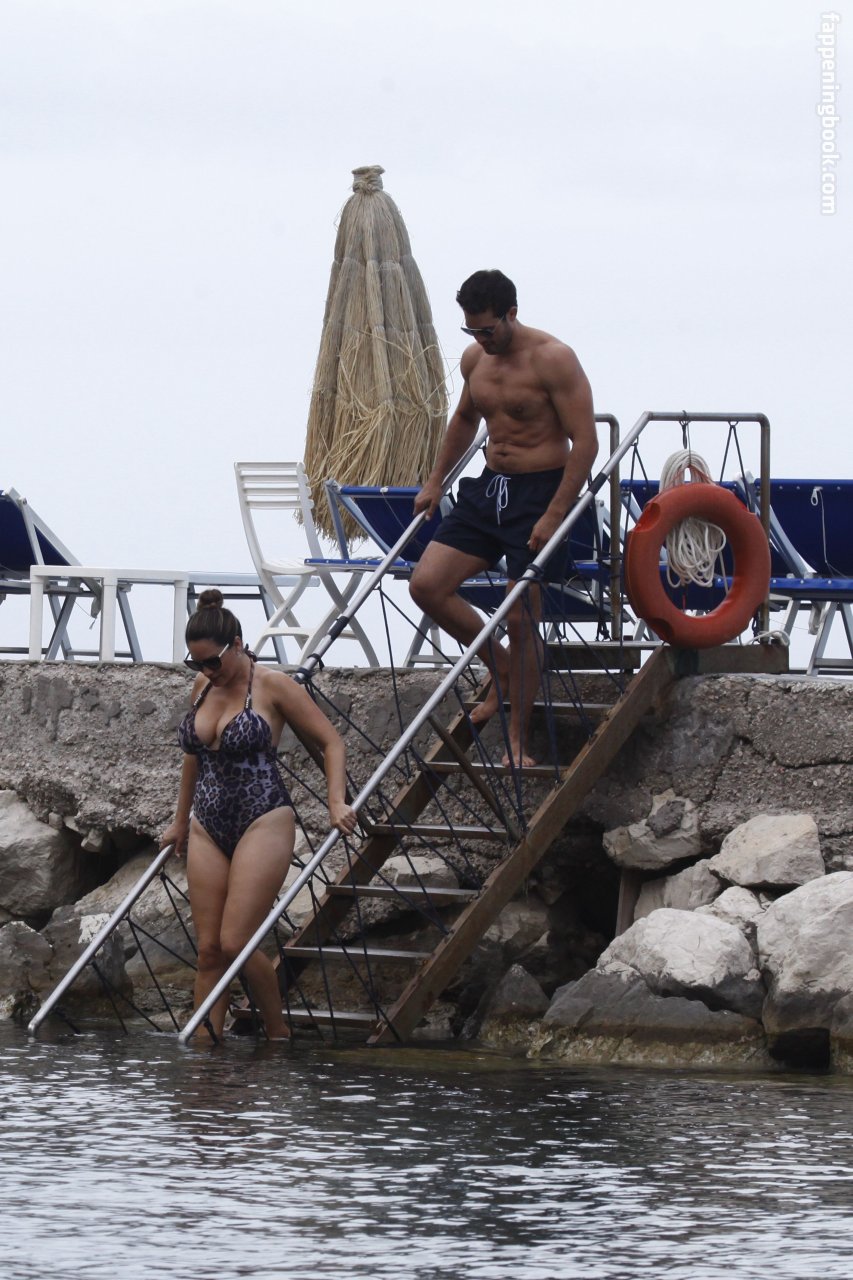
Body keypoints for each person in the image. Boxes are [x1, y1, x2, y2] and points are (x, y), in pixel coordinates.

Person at [410, 269, 598, 768]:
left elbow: (586, 442)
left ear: (511, 314)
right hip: (489, 489)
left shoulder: (552, 359)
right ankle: (503, 667)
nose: (480, 339)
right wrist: (435, 481)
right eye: (471, 330)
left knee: (521, 616)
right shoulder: (476, 359)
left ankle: (517, 739)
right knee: (426, 585)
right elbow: (464, 419)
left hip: (539, 494)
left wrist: (554, 514)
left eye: (487, 329)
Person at [160, 590, 357, 1042]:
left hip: (263, 817)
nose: (206, 671)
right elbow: (193, 757)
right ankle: (204, 1056)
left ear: (237, 644)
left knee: (235, 942)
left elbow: (332, 742)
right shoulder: (203, 686)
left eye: (212, 661)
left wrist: (335, 802)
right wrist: (179, 820)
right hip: (207, 824)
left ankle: (277, 1033)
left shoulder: (273, 686)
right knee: (209, 952)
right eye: (196, 664)